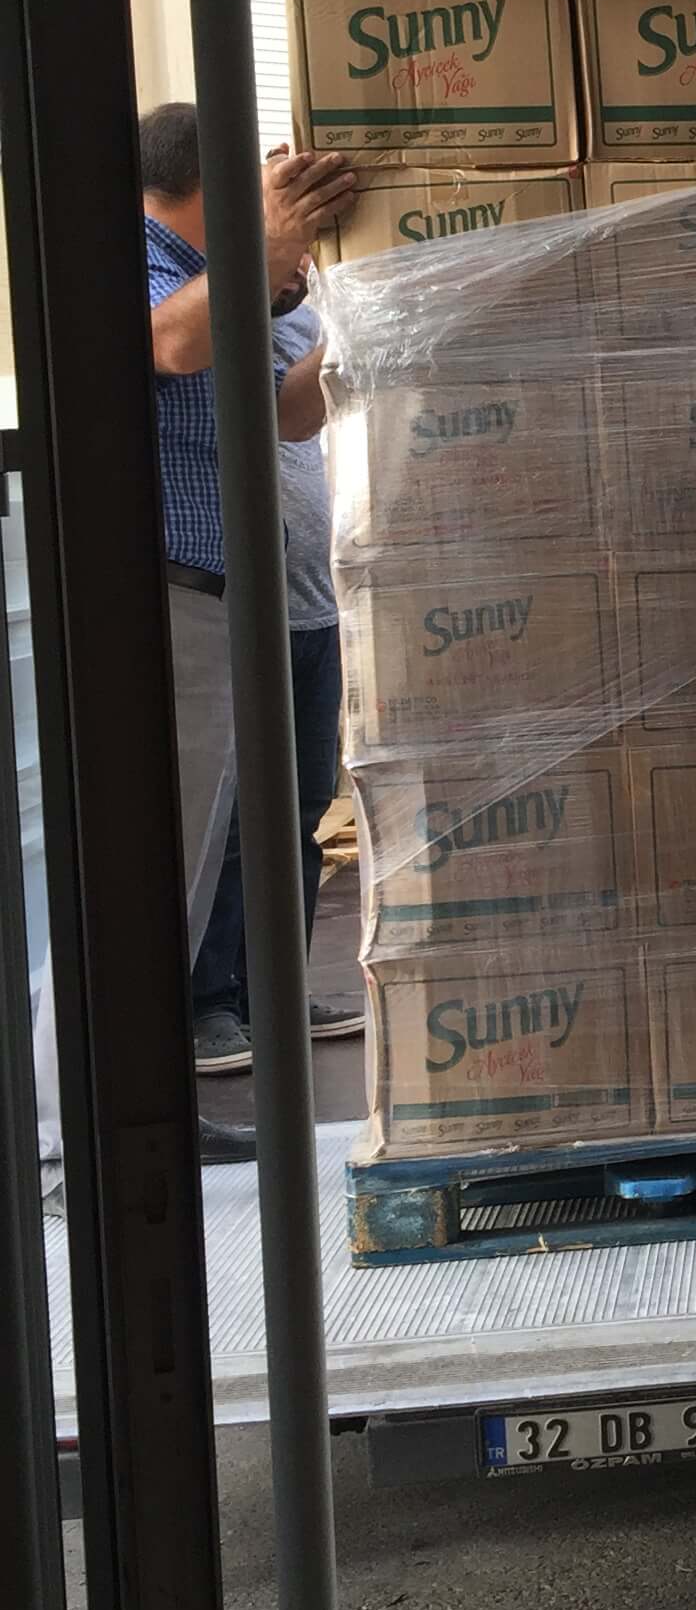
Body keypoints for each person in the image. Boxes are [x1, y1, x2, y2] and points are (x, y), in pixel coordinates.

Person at [50, 104, 354, 1165]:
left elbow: (286, 414)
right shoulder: (133, 258)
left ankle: (135, 1115)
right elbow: (170, 343)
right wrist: (262, 249)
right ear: (212, 181)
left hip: (233, 600)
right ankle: (92, 1132)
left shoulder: (227, 277)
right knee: (161, 863)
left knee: (195, 856)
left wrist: (358, 321)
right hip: (169, 600)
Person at [189, 269, 361, 1075]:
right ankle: (208, 1004)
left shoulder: (301, 324)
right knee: (227, 823)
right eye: (290, 248)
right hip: (240, 611)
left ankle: (272, 993)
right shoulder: (208, 320)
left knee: (300, 811)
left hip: (312, 606)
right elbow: (271, 417)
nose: (301, 269)